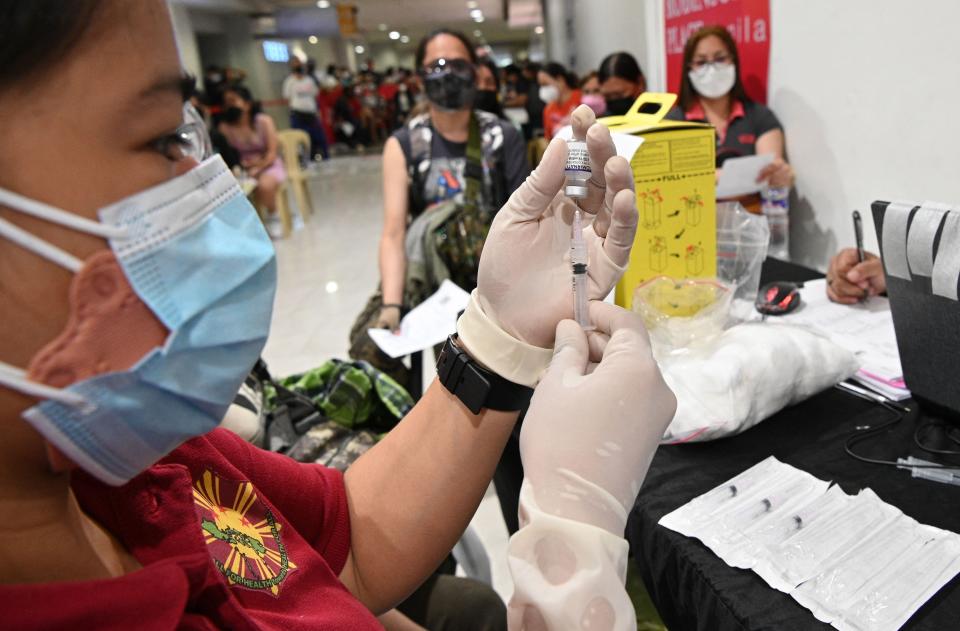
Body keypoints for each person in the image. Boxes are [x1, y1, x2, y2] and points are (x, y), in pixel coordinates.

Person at [0, 4, 673, 631]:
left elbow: (348, 537)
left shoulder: (131, 457)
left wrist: (498, 337)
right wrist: (573, 532)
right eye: (159, 138)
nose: (205, 176)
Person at [374, 29, 529, 335]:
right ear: (421, 79)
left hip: (494, 279)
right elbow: (393, 232)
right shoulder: (404, 144)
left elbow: (525, 220)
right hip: (436, 281)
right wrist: (392, 305)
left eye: (459, 65)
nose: (449, 74)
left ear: (475, 72)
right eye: (438, 65)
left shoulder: (501, 136)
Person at [666, 25, 794, 195]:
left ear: (733, 61)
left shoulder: (759, 116)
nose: (711, 69)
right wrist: (740, 174)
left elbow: (769, 170)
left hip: (751, 216)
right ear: (689, 69)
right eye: (701, 62)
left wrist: (781, 177)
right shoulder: (672, 122)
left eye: (720, 59)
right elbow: (670, 179)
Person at [218, 85, 287, 238]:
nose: (229, 105)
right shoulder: (225, 128)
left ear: (247, 104)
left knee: (265, 185)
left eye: (233, 101)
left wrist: (258, 167)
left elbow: (272, 152)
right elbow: (228, 155)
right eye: (226, 102)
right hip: (242, 168)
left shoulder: (264, 121)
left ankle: (273, 216)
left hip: (268, 165)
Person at [282, 57, 329, 161]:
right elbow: (287, 98)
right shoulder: (289, 81)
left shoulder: (309, 79)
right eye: (295, 64)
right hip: (298, 114)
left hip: (311, 113)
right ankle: (305, 159)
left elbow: (315, 95)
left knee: (319, 137)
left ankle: (324, 157)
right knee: (300, 138)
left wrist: (317, 111)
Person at [538, 62, 581, 140]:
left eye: (545, 84)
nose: (543, 89)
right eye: (541, 85)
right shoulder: (548, 109)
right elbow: (548, 138)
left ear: (560, 80)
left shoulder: (581, 98)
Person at [597, 51, 647, 116]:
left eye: (619, 94)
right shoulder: (600, 121)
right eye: (608, 96)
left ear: (640, 83)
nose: (614, 100)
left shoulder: (662, 120)